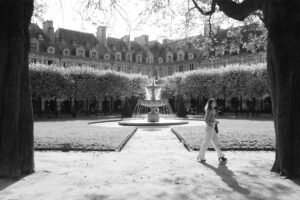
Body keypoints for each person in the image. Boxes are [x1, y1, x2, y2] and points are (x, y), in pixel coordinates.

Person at [197, 98, 227, 163]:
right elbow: (205, 119)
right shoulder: (209, 110)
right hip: (210, 129)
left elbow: (210, 119)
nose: (215, 103)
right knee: (206, 143)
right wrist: (211, 125)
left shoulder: (212, 110)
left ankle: (221, 156)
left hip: (212, 128)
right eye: (214, 102)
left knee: (216, 142)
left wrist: (215, 121)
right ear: (211, 103)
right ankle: (200, 157)